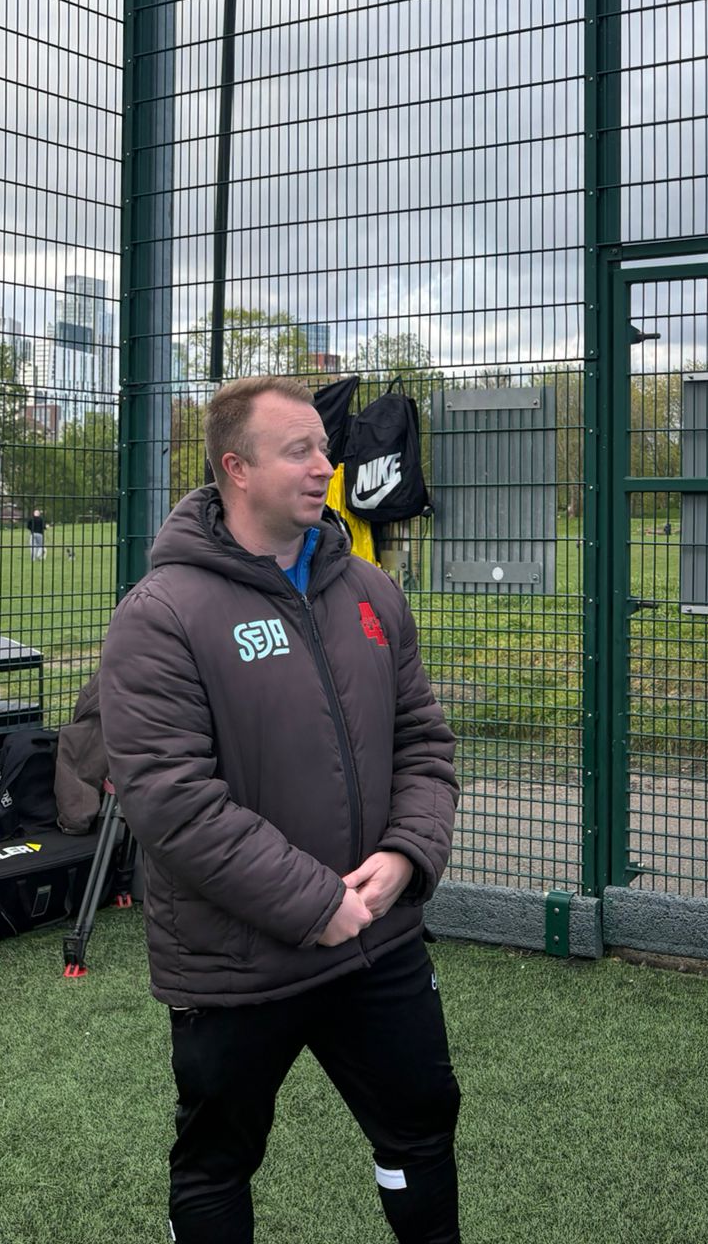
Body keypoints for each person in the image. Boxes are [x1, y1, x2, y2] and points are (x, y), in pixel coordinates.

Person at [98, 375, 461, 1244]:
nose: (324, 467)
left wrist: (407, 854)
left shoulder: (372, 593)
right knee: (218, 1159)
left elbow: (425, 743)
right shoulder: (161, 615)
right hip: (238, 964)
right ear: (238, 470)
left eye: (323, 449)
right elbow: (172, 803)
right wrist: (314, 902)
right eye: (299, 450)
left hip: (378, 938)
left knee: (421, 1123)